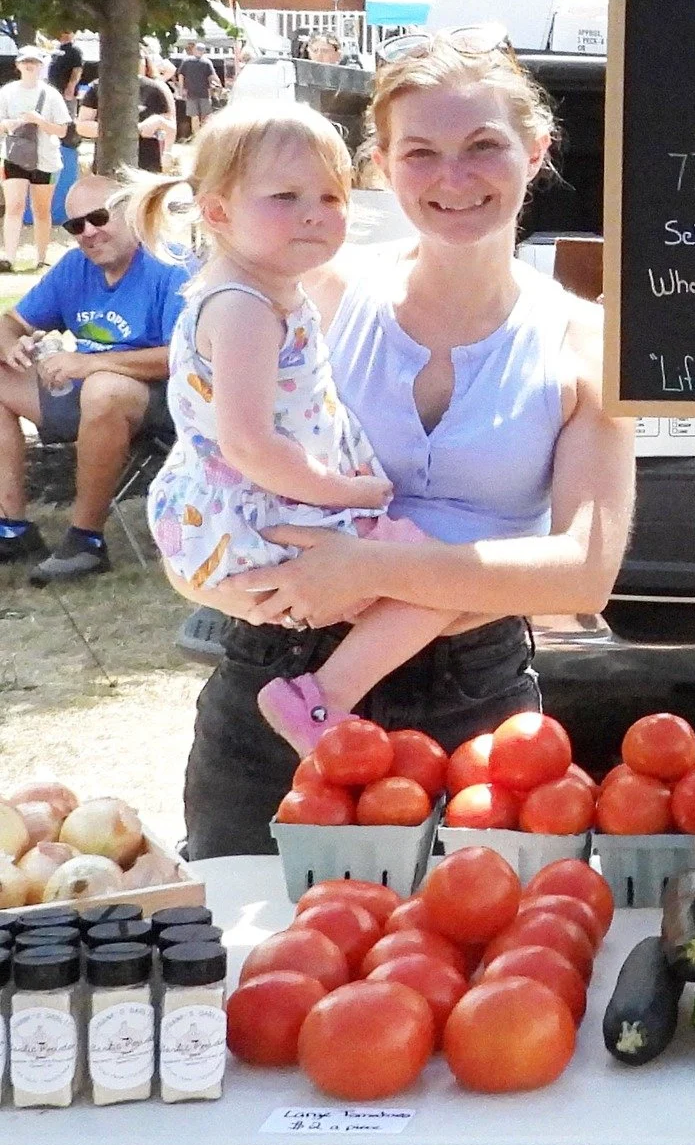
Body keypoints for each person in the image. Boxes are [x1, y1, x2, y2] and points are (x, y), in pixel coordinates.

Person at [167, 32, 634, 859]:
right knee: (247, 950)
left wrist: (369, 569)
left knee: (468, 962)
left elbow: (584, 572)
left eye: (483, 146)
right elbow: (211, 454)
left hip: (472, 697)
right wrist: (204, 574)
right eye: (421, 151)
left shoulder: (587, 341)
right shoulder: (309, 290)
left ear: (535, 151)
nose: (453, 177)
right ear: (380, 164)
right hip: (274, 668)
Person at [135, 102, 477, 760]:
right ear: (217, 213)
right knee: (438, 578)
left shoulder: (264, 287)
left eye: (331, 194)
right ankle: (318, 698)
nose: (314, 212)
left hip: (250, 507)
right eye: (285, 197)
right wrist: (347, 494)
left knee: (426, 579)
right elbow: (250, 443)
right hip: (263, 516)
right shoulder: (242, 309)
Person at [0, 173, 189, 583]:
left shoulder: (172, 266)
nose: (88, 232)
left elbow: (184, 358)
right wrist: (10, 345)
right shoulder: (74, 268)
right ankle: (12, 528)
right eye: (75, 226)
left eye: (99, 217)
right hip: (83, 394)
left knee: (104, 389)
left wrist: (89, 365)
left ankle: (86, 540)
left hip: (163, 403)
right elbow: (10, 321)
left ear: (132, 213)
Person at [1, 48, 71, 273]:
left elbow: (62, 130)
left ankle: (41, 258)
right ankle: (9, 258)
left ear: (41, 66)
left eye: (34, 62)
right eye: (25, 62)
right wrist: (10, 124)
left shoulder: (51, 95)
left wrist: (40, 121)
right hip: (14, 156)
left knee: (41, 210)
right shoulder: (7, 92)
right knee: (14, 206)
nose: (29, 65)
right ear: (18, 65)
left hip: (45, 159)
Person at [77, 66, 177, 174]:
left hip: (146, 166)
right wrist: (119, 130)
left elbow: (171, 127)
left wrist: (158, 122)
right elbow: (82, 126)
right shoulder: (98, 87)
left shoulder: (153, 88)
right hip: (109, 163)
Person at [177, 41, 219, 137]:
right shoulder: (207, 62)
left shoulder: (186, 61)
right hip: (204, 93)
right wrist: (219, 85)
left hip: (191, 93)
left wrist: (181, 90)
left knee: (194, 117)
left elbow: (181, 76)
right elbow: (213, 77)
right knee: (206, 116)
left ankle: (197, 136)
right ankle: (204, 137)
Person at [46, 32, 84, 105]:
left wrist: (71, 88)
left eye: (67, 33)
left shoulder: (75, 51)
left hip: (65, 93)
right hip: (53, 91)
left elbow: (77, 70)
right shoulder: (56, 49)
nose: (64, 35)